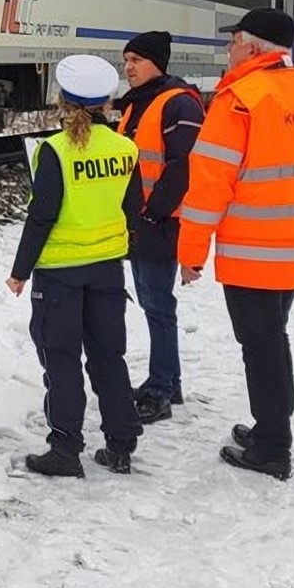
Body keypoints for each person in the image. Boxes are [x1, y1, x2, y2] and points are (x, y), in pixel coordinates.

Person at [176, 7, 294, 481]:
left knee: (261, 343)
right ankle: (269, 426)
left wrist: (191, 254)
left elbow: (209, 188)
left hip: (251, 251)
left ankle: (273, 446)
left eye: (232, 42)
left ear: (252, 48)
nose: (228, 51)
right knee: (272, 335)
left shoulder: (239, 101)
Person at [7, 54, 145, 478]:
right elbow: (131, 208)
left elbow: (42, 215)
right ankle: (121, 444)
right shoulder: (125, 148)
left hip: (61, 272)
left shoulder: (56, 151)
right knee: (109, 356)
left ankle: (65, 449)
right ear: (107, 102)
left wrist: (20, 270)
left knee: (62, 358)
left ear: (63, 102)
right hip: (106, 268)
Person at [115, 30, 205, 423]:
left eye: (136, 60)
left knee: (157, 305)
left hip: (160, 221)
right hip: (141, 220)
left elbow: (183, 166)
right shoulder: (139, 104)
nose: (128, 67)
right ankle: (170, 380)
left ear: (157, 63)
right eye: (126, 60)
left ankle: (160, 390)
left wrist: (153, 213)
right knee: (155, 304)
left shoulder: (179, 104)